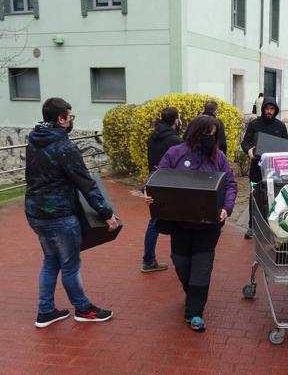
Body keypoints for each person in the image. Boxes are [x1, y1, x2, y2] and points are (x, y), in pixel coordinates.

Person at [25, 97, 118, 328]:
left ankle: (46, 311)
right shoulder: (65, 147)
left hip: (36, 213)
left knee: (50, 261)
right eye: (70, 116)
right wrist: (106, 213)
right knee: (69, 264)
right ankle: (84, 310)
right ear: (61, 119)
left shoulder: (34, 141)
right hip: (60, 216)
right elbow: (86, 184)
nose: (71, 120)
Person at [147, 115, 237, 331]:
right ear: (196, 132)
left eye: (214, 134)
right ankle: (192, 293)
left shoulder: (219, 158)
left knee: (202, 266)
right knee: (181, 263)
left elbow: (231, 183)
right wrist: (149, 191)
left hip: (208, 225)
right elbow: (157, 175)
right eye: (207, 133)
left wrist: (226, 208)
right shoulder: (176, 153)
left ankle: (195, 312)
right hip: (181, 222)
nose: (210, 138)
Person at [141, 107, 183, 273]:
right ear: (175, 121)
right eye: (179, 118)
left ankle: (149, 259)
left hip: (155, 182)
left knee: (154, 222)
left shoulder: (153, 136)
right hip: (172, 186)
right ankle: (179, 259)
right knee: (179, 223)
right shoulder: (175, 141)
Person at [240, 97, 288, 239]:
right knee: (255, 195)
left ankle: (273, 225)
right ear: (263, 109)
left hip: (275, 168)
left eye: (272, 109)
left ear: (275, 110)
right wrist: (248, 150)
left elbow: (286, 144)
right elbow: (245, 142)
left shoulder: (280, 126)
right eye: (267, 109)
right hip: (257, 167)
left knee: (275, 196)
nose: (269, 111)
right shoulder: (254, 124)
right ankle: (252, 226)